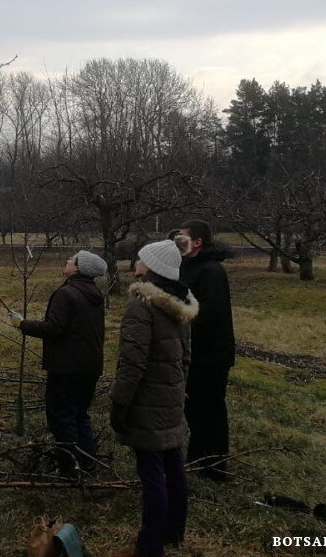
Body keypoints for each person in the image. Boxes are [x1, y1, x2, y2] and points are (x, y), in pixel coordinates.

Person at [110, 235, 198, 557]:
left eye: (140, 258)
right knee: (174, 467)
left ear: (152, 267)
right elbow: (186, 358)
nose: (136, 262)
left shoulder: (141, 305)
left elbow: (132, 363)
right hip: (172, 399)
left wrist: (120, 403)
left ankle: (150, 545)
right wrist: (177, 392)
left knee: (151, 477)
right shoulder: (180, 305)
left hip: (147, 404)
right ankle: (175, 532)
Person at [11, 249, 108, 478]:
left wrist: (22, 324)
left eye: (72, 259)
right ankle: (87, 463)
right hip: (90, 366)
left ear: (79, 268)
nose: (67, 260)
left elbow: (53, 328)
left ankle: (70, 469)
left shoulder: (67, 293)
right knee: (80, 414)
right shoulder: (94, 294)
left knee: (62, 417)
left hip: (66, 367)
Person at [178, 219, 235, 481]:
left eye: (183, 237)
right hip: (196, 353)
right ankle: (198, 457)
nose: (178, 242)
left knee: (209, 409)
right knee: (195, 409)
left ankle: (214, 466)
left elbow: (210, 315)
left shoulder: (210, 272)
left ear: (197, 242)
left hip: (210, 356)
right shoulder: (190, 268)